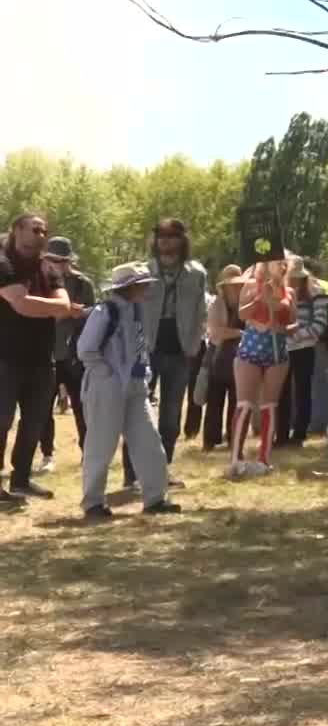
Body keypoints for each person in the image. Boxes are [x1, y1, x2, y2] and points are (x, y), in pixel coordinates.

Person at [73, 262, 183, 520]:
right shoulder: (105, 311)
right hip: (106, 386)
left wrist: (141, 374)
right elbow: (86, 349)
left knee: (149, 441)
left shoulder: (137, 311)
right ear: (129, 287)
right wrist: (107, 374)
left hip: (135, 386)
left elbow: (139, 345)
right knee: (101, 444)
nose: (147, 288)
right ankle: (93, 503)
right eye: (142, 284)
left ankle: (156, 498)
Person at [0, 213, 84, 506]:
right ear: (17, 230)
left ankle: (21, 480)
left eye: (44, 231)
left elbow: (60, 304)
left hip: (41, 359)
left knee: (35, 422)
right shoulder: (3, 262)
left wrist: (47, 305)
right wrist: (53, 306)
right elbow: (21, 304)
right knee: (2, 420)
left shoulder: (47, 268)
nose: (41, 235)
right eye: (35, 229)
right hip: (4, 358)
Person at [144, 218, 208, 462]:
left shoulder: (196, 274)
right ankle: (133, 474)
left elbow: (202, 311)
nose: (166, 240)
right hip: (147, 350)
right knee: (137, 412)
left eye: (172, 236)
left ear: (182, 240)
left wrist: (193, 345)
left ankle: (163, 468)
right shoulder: (145, 271)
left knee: (171, 416)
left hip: (180, 351)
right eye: (161, 236)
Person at [228, 255, 295, 476]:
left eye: (286, 263)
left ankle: (264, 458)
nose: (283, 267)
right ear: (267, 264)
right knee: (245, 403)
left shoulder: (289, 292)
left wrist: (285, 323)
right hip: (251, 349)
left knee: (269, 405)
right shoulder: (250, 285)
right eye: (279, 262)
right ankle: (236, 458)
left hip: (277, 351)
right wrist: (261, 299)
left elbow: (293, 321)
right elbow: (241, 314)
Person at [43, 236, 94, 473]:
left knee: (82, 407)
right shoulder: (39, 281)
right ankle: (47, 455)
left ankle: (89, 453)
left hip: (76, 354)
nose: (54, 264)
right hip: (46, 353)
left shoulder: (84, 284)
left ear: (67, 261)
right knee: (43, 409)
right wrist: (63, 311)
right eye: (50, 259)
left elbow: (94, 317)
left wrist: (78, 313)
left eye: (59, 260)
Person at [281, 257, 328, 446]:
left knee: (303, 391)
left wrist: (295, 335)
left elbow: (319, 325)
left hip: (304, 348)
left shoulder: (317, 293)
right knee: (283, 391)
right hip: (284, 347)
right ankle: (281, 434)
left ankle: (299, 434)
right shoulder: (283, 292)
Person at [202, 265, 246, 450]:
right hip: (218, 357)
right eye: (231, 284)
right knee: (214, 401)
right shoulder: (216, 304)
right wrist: (241, 333)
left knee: (237, 401)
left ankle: (233, 439)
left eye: (238, 284)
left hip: (242, 358)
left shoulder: (246, 303)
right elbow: (216, 332)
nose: (235, 288)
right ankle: (210, 441)